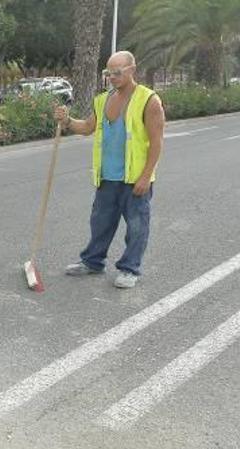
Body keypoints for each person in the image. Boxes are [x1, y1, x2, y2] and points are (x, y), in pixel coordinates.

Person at [54, 50, 165, 288]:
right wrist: (66, 121)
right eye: (108, 72)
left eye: (117, 72)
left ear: (132, 70)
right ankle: (93, 262)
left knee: (136, 227)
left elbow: (157, 142)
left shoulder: (149, 100)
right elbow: (86, 127)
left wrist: (146, 176)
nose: (112, 77)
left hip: (134, 179)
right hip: (107, 177)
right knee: (100, 223)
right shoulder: (103, 99)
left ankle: (130, 269)